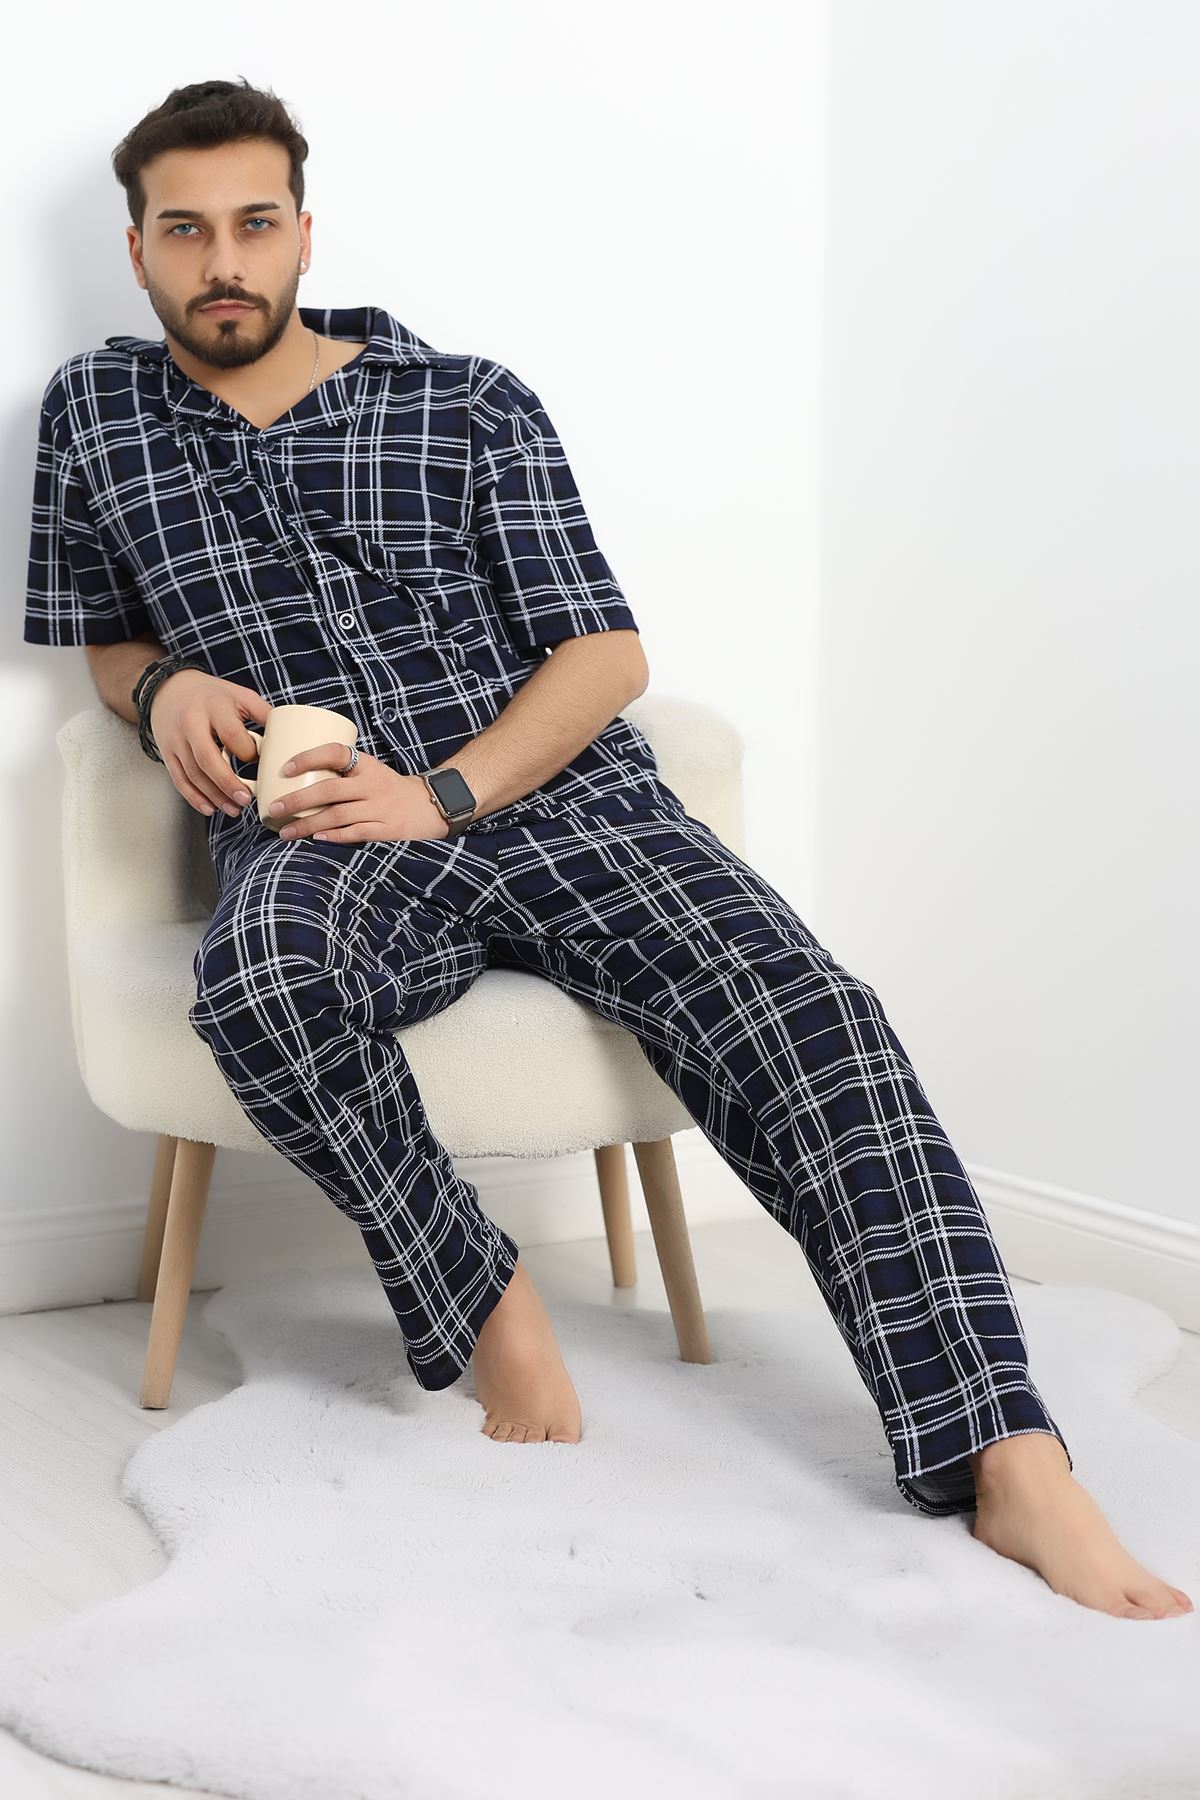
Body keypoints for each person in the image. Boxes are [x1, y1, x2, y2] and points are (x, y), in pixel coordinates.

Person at [24, 78, 1191, 1623]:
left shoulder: (469, 401)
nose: (223, 261)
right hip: (321, 819)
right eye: (186, 231)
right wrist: (165, 688)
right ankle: (482, 1291)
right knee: (260, 986)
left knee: (813, 1019)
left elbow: (604, 654)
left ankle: (1011, 1462)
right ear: (137, 248)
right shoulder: (94, 414)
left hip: (551, 797)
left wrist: (446, 792)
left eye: (254, 223)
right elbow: (106, 639)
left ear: (306, 231)